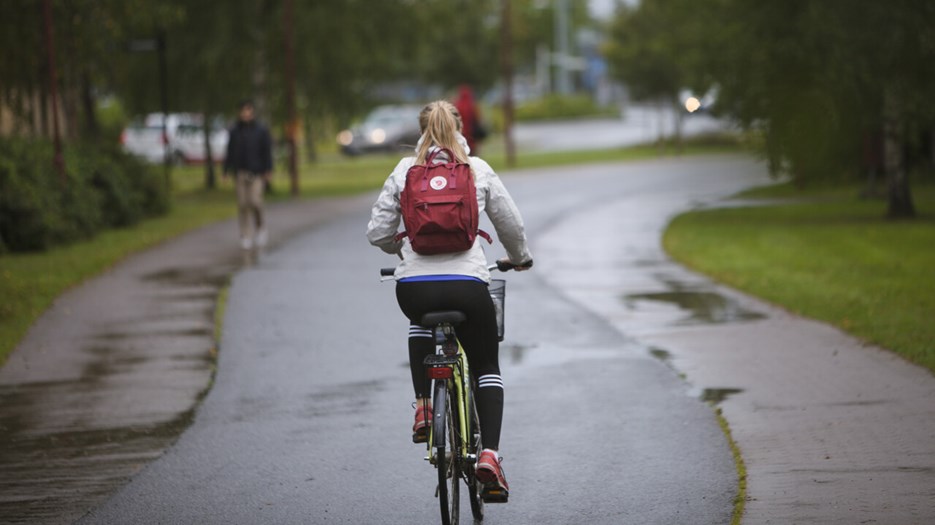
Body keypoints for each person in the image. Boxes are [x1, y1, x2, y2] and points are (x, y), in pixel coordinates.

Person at [367, 100, 532, 501]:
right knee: (485, 365)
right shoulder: (476, 168)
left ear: (421, 130)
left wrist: (402, 252)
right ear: (460, 129)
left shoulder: (405, 170)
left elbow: (377, 232)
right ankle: (489, 456)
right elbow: (510, 223)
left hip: (414, 290)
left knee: (420, 319)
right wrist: (519, 258)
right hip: (468, 285)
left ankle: (424, 405)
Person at [224, 100, 273, 250]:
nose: (246, 114)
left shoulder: (260, 130)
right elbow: (230, 152)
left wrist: (268, 169)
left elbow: (266, 151)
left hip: (256, 172)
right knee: (242, 204)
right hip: (240, 172)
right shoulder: (235, 131)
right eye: (243, 111)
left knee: (255, 201)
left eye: (248, 110)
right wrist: (226, 170)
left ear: (252, 112)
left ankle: (260, 227)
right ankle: (245, 235)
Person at [453, 85, 484, 156]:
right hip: (471, 135)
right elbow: (479, 119)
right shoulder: (473, 105)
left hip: (460, 133)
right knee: (472, 154)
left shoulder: (456, 105)